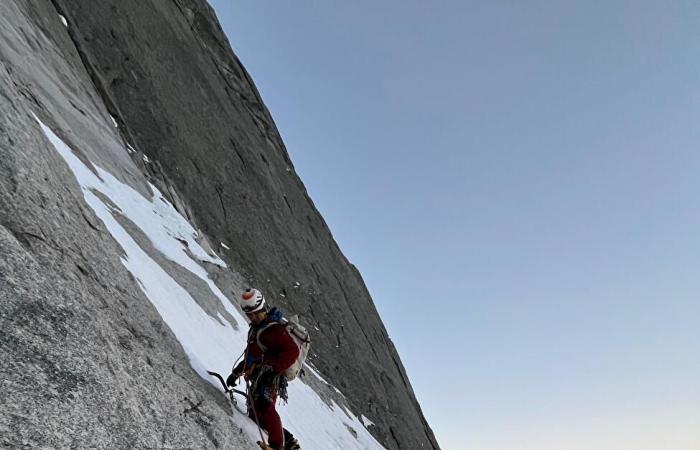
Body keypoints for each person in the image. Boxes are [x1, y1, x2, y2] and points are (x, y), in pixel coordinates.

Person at [227, 288, 301, 450]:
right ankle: (289, 443)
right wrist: (236, 373)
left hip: (269, 376)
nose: (252, 317)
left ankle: (277, 445)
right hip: (260, 375)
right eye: (249, 315)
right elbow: (252, 355)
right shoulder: (259, 329)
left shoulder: (274, 330)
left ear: (263, 309)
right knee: (257, 415)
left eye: (255, 313)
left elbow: (292, 352)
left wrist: (274, 370)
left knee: (265, 407)